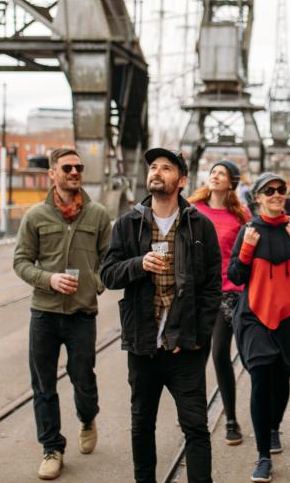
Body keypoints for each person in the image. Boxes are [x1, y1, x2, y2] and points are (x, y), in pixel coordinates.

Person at [100, 147, 221, 483]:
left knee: (196, 426)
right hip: (143, 345)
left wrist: (195, 335)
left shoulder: (200, 227)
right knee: (141, 424)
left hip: (186, 347)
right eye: (153, 167)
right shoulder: (128, 224)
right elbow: (107, 274)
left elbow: (212, 289)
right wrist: (139, 264)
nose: (156, 172)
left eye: (166, 168)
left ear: (181, 180)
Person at [13, 148, 111, 480]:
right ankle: (52, 448)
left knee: (83, 378)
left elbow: (108, 259)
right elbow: (21, 261)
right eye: (66, 167)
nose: (74, 172)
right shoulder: (36, 216)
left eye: (78, 167)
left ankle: (87, 417)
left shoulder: (97, 215)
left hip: (82, 313)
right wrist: (48, 279)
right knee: (43, 385)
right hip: (44, 313)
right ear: (52, 174)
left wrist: (94, 284)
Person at [227, 172, 290, 482]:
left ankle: (274, 426)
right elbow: (236, 277)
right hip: (255, 316)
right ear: (257, 197)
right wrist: (246, 250)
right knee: (261, 379)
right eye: (269, 191)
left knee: (282, 378)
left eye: (281, 190)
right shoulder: (249, 230)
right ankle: (263, 456)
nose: (276, 194)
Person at [188, 160, 251, 445]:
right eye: (212, 172)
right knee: (195, 358)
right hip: (197, 293)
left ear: (231, 182)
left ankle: (230, 419)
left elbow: (247, 255)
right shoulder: (191, 210)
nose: (215, 176)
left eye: (221, 173)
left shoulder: (241, 215)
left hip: (228, 293)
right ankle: (195, 418)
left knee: (220, 354)